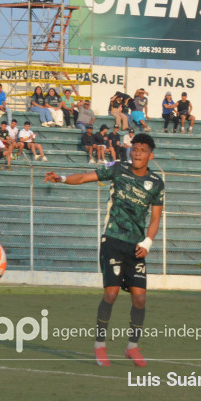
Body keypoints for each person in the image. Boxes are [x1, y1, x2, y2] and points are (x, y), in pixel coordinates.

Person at [43, 133, 164, 367]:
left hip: (136, 246)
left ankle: (132, 347)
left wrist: (147, 242)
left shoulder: (157, 183)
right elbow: (85, 177)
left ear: (151, 155)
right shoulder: (118, 168)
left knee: (140, 299)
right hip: (113, 240)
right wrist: (62, 178)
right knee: (111, 294)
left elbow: (155, 218)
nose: (137, 153)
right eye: (135, 149)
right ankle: (99, 345)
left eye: (142, 150)